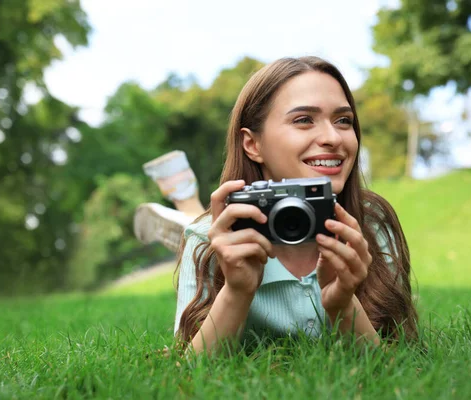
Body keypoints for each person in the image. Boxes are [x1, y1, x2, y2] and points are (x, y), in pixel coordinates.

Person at [169, 56, 418, 355]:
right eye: (303, 120)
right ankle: (182, 206)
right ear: (252, 144)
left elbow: (398, 372)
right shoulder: (206, 239)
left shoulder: (372, 225)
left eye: (344, 121)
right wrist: (236, 291)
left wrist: (342, 304)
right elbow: (188, 376)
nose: (332, 137)